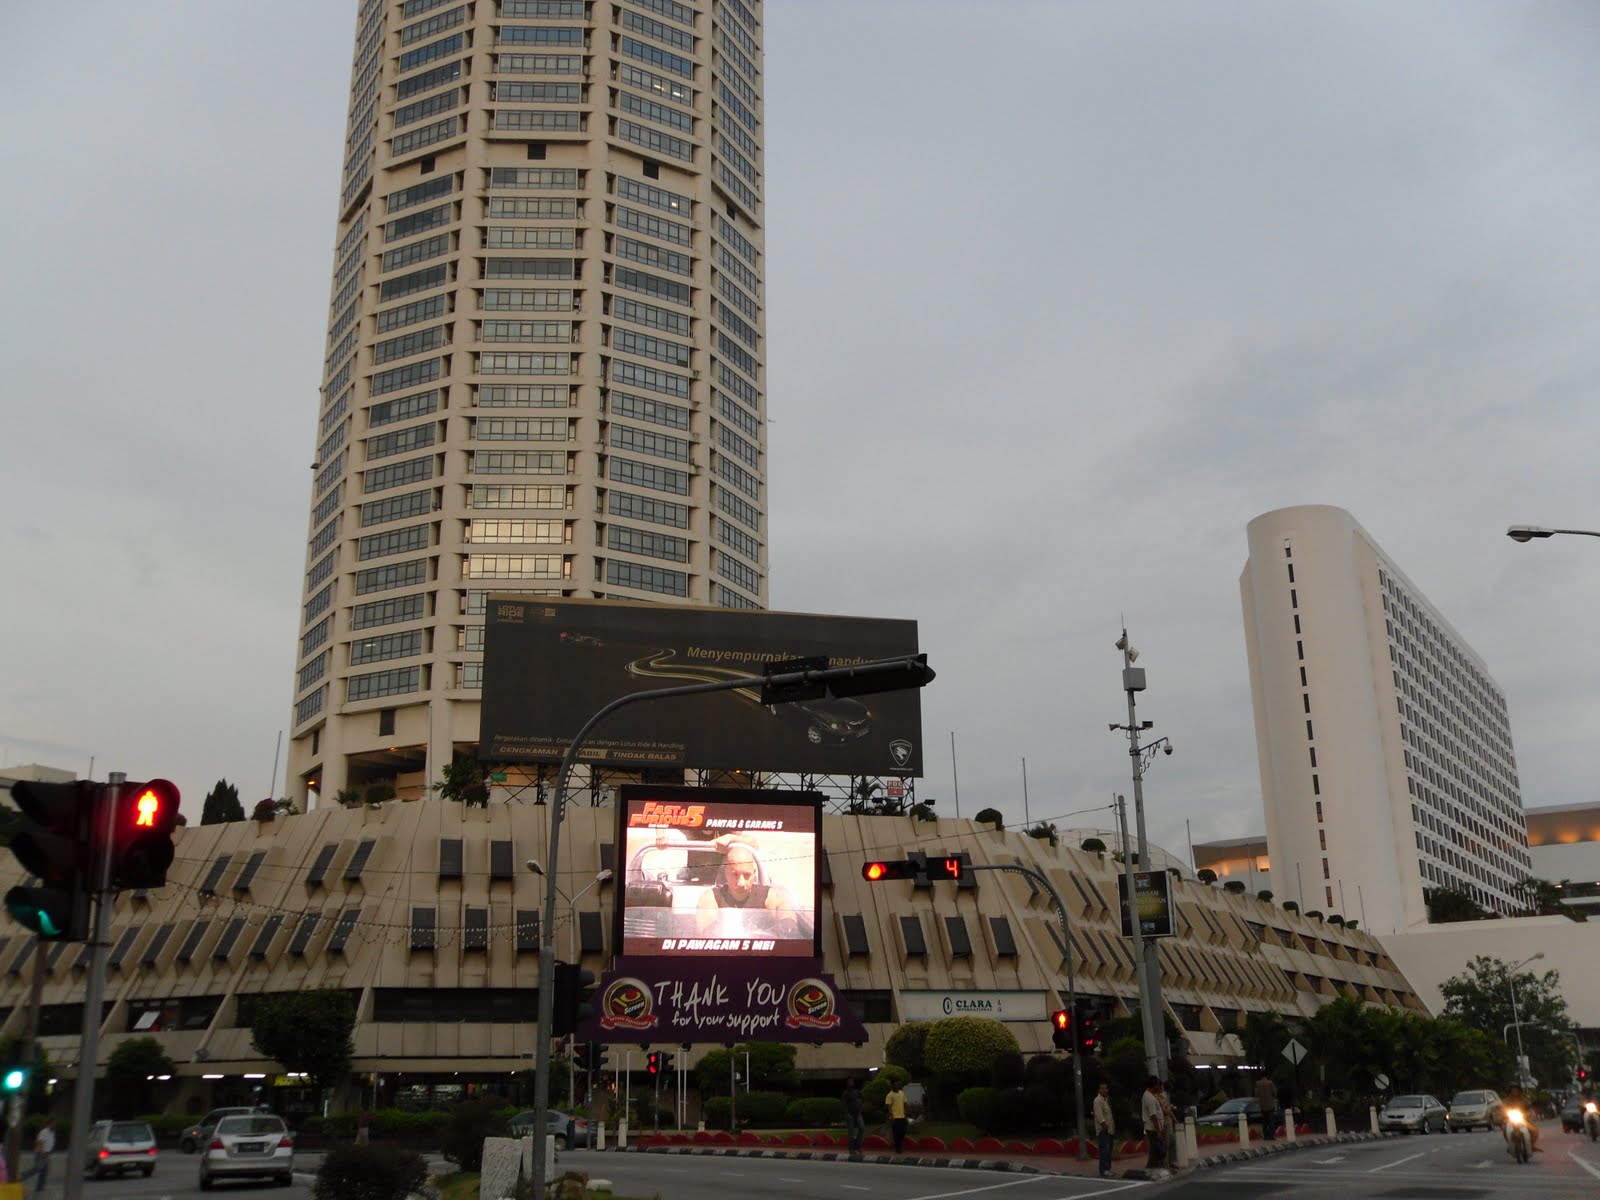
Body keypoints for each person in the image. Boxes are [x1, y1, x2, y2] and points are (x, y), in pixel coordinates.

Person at [696, 836, 798, 935]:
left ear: (754, 873)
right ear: (726, 873)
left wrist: (786, 924)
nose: (741, 883)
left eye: (747, 875)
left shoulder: (769, 895)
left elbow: (785, 911)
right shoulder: (712, 897)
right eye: (735, 874)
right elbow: (706, 930)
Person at [1141, 1077, 1166, 1169]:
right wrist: (1158, 1131)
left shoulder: (1150, 1096)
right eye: (1158, 1085)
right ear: (1155, 1085)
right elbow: (1153, 1116)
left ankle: (1154, 1167)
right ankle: (1151, 1168)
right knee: (1158, 1150)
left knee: (1155, 1150)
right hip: (1152, 1128)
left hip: (1154, 1127)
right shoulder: (1149, 1098)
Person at [26, 1118, 56, 1196]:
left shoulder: (52, 1133)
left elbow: (50, 1142)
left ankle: (39, 1187)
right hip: (41, 1153)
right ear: (49, 1124)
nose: (54, 1125)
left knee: (45, 1171)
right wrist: (42, 1152)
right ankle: (23, 1176)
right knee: (37, 1168)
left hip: (47, 1153)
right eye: (53, 1123)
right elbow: (39, 1142)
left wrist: (49, 1152)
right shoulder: (44, 1132)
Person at [1093, 1081, 1116, 1177]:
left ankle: (1107, 1169)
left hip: (1110, 1129)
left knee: (1109, 1150)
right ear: (1099, 1090)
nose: (1105, 1090)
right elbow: (1099, 1115)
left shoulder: (1106, 1100)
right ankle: (1103, 1170)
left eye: (1106, 1088)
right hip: (1104, 1130)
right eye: (1102, 1088)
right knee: (1104, 1150)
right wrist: (1104, 1126)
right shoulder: (1098, 1100)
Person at [842, 1079, 864, 1159]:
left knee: (861, 1128)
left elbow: (861, 1099)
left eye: (852, 1082)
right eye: (849, 1082)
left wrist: (861, 1107)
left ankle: (857, 1146)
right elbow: (844, 1104)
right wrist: (847, 1114)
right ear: (847, 1084)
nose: (851, 1083)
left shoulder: (856, 1092)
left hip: (857, 1113)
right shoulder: (845, 1093)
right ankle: (851, 1148)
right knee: (851, 1132)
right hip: (850, 1115)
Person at [885, 1080, 909, 1154]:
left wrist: (906, 1111)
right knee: (896, 1133)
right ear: (892, 1086)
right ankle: (898, 1147)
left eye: (897, 1085)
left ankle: (899, 1144)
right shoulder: (889, 1095)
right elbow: (889, 1107)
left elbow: (905, 1103)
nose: (896, 1086)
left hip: (902, 1116)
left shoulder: (902, 1093)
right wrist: (891, 1117)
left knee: (903, 1131)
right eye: (895, 1085)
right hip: (895, 1117)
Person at [1255, 1074, 1279, 1140]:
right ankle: (1272, 1135)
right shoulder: (1270, 1083)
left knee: (1264, 1121)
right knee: (1271, 1121)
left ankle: (1265, 1135)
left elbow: (1256, 1094)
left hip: (1262, 1105)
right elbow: (1274, 1093)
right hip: (1270, 1105)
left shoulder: (1258, 1083)